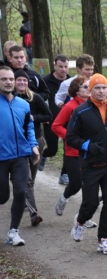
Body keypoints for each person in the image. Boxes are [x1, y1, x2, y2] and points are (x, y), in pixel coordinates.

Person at [66, 74, 107, 254]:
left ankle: (103, 239)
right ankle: (80, 221)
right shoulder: (81, 111)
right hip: (90, 165)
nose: (101, 91)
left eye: (104, 88)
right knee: (90, 203)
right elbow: (70, 137)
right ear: (90, 90)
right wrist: (87, 145)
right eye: (97, 88)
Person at [51, 76, 97, 232]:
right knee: (76, 184)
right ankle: (64, 198)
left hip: (90, 152)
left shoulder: (93, 106)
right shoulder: (70, 107)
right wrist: (71, 137)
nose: (88, 89)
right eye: (85, 87)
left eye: (89, 86)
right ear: (76, 90)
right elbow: (56, 126)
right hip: (72, 153)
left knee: (89, 187)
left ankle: (85, 217)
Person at [0, 67, 40, 246]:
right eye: (4, 79)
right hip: (1, 157)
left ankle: (13, 232)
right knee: (2, 197)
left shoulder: (23, 105)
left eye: (10, 79)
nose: (8, 82)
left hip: (20, 157)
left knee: (21, 192)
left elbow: (29, 128)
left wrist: (34, 146)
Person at [13, 70, 52, 226]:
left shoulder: (34, 98)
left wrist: (33, 117)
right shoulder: (9, 99)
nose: (22, 83)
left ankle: (25, 199)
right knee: (26, 179)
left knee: (31, 179)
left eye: (25, 80)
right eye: (19, 80)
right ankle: (33, 213)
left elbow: (49, 115)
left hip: (36, 140)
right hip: (17, 143)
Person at [53, 54, 95, 186]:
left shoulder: (95, 82)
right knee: (76, 183)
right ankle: (65, 176)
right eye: (86, 69)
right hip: (71, 128)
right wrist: (61, 105)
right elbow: (58, 97)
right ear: (78, 69)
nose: (89, 72)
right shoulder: (68, 84)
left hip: (90, 141)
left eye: (91, 69)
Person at [41, 54, 70, 178]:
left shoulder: (72, 82)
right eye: (60, 66)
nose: (63, 69)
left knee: (68, 148)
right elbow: (40, 99)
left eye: (66, 67)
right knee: (52, 150)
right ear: (55, 66)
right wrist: (44, 115)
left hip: (69, 119)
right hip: (52, 119)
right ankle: (44, 155)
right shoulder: (45, 81)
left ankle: (65, 174)